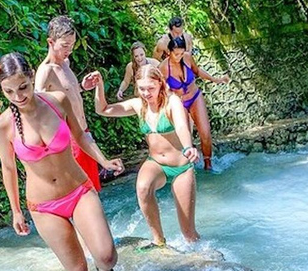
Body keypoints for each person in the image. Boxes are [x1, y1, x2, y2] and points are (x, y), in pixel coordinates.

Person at [0, 52, 124, 271]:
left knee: (106, 257)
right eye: (9, 92)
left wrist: (104, 161)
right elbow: (8, 168)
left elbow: (81, 136)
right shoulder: (3, 125)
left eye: (23, 87)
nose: (18, 96)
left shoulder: (57, 101)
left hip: (78, 189)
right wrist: (16, 211)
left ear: (32, 77)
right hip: (44, 206)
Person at [84, 65, 200, 247]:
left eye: (151, 88)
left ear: (161, 84)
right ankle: (159, 240)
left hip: (181, 167)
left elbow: (181, 126)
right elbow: (103, 110)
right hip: (156, 163)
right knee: (143, 187)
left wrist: (188, 147)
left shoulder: (173, 102)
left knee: (188, 233)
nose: (146, 93)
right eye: (142, 88)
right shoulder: (138, 105)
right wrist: (99, 85)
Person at [35, 15, 102, 191]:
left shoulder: (66, 63)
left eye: (71, 45)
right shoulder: (45, 71)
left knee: (93, 190)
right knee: (80, 193)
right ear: (51, 41)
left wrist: (82, 86)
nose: (69, 50)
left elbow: (65, 95)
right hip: (70, 140)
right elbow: (36, 109)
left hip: (84, 134)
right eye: (65, 46)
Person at [159, 35, 228, 171]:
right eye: (176, 54)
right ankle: (189, 168)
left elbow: (197, 72)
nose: (179, 57)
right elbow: (162, 90)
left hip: (195, 97)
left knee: (205, 133)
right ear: (169, 52)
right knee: (186, 138)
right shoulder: (163, 68)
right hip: (179, 103)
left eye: (181, 53)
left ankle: (208, 165)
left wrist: (216, 79)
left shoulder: (187, 58)